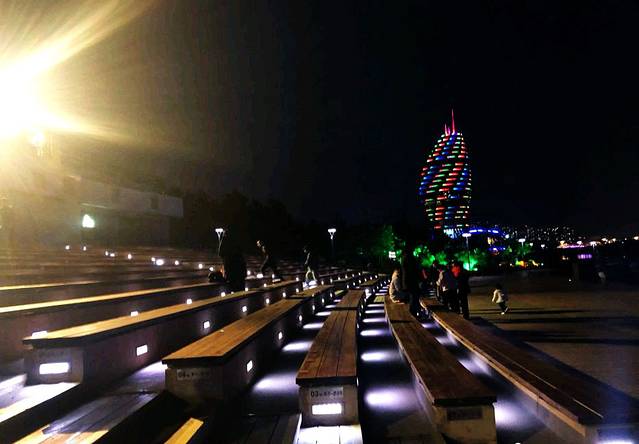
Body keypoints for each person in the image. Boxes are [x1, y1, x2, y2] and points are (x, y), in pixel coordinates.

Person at [401, 243, 421, 315]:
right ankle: (413, 313)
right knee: (414, 297)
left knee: (412, 297)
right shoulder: (409, 258)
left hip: (407, 281)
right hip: (411, 281)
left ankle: (414, 312)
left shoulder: (404, 258)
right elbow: (413, 270)